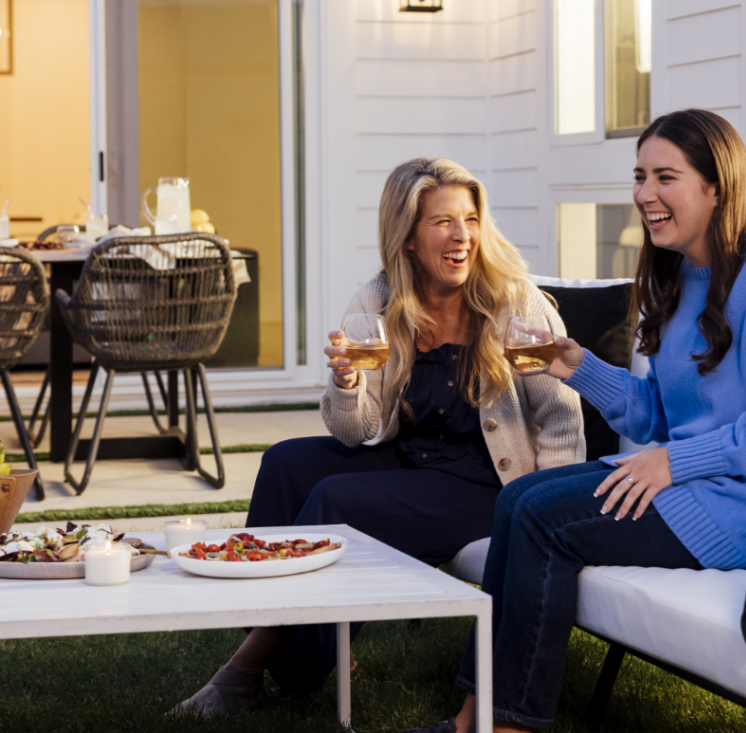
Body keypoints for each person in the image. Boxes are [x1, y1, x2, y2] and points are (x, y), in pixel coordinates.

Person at [409, 109, 746, 733]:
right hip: (691, 485)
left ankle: (504, 725)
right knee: (520, 500)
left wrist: (676, 461)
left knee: (541, 519)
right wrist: (576, 365)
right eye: (640, 175)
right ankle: (473, 717)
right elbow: (660, 415)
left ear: (716, 186)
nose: (645, 194)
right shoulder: (682, 277)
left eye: (665, 177)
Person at [175, 157, 584, 716]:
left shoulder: (514, 301)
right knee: (286, 464)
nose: (462, 235)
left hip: (491, 486)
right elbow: (356, 430)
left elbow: (561, 416)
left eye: (469, 219)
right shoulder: (380, 300)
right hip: (410, 459)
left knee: (338, 500)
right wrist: (346, 383)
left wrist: (546, 506)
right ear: (409, 238)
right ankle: (295, 659)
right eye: (442, 221)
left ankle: (246, 670)